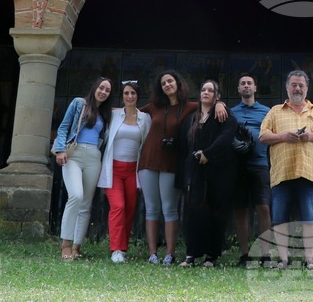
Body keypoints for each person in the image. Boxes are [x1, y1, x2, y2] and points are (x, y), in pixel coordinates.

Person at [138, 70, 227, 265]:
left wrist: (220, 103)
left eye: (170, 81)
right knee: (151, 208)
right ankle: (152, 254)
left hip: (171, 163)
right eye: (163, 83)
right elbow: (129, 111)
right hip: (148, 161)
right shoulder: (153, 107)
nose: (167, 85)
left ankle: (170, 254)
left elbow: (208, 104)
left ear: (178, 83)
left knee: (169, 208)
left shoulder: (190, 107)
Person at [258, 69, 313, 270]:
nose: (297, 88)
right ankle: (283, 260)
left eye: (301, 85)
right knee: (280, 219)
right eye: (294, 85)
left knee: (309, 219)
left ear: (307, 88)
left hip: (308, 172)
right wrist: (283, 136)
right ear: (287, 87)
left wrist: (311, 136)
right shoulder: (275, 111)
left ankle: (309, 261)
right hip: (282, 173)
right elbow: (263, 136)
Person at [175, 80, 238, 267]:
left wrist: (208, 154)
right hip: (195, 173)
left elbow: (226, 138)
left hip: (219, 172)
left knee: (216, 213)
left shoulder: (224, 115)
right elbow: (184, 148)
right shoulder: (191, 119)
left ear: (217, 96)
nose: (206, 93)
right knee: (193, 213)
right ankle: (191, 255)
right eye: (203, 89)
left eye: (211, 90)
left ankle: (211, 256)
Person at [53, 76, 113, 261]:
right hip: (74, 153)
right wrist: (60, 150)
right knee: (76, 196)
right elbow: (64, 127)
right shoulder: (79, 103)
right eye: (101, 88)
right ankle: (65, 245)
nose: (103, 92)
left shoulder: (105, 114)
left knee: (86, 203)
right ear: (95, 87)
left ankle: (77, 247)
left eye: (107, 90)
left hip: (94, 157)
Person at [98, 79, 151, 263]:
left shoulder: (145, 118)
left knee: (129, 209)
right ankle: (116, 249)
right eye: (126, 93)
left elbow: (147, 144)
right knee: (118, 206)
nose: (129, 96)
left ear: (138, 96)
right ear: (122, 96)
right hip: (113, 169)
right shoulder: (114, 115)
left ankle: (123, 248)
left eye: (133, 93)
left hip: (133, 170)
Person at [229, 73, 272, 267]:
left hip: (260, 163)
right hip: (238, 165)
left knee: (263, 207)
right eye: (243, 83)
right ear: (238, 89)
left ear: (255, 88)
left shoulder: (266, 111)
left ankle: (265, 255)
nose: (246, 86)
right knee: (240, 209)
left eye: (249, 83)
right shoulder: (231, 112)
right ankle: (245, 254)